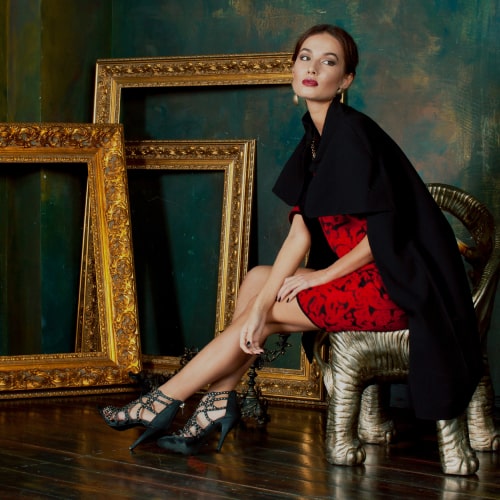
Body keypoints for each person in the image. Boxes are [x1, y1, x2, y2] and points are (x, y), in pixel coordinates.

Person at [99, 24, 482, 455]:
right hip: (362, 277)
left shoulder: (353, 134)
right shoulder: (317, 139)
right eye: (305, 57)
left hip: (395, 286)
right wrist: (263, 300)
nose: (313, 68)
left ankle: (162, 401)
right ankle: (218, 400)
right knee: (256, 280)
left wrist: (318, 279)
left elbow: (384, 236)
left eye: (328, 62)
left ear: (346, 79)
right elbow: (301, 231)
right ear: (293, 70)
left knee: (267, 312)